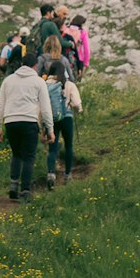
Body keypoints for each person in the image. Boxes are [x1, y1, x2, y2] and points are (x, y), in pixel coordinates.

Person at [0, 46, 54, 201]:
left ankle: (13, 185)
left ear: (21, 64)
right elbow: (46, 108)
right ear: (35, 66)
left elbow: (0, 105)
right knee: (28, 157)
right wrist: (50, 129)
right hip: (29, 121)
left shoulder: (8, 80)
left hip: (11, 121)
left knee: (16, 154)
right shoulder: (39, 82)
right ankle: (25, 191)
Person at [44, 59, 82, 187]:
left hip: (52, 119)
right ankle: (67, 174)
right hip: (67, 117)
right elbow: (76, 103)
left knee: (53, 148)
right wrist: (78, 108)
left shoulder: (45, 85)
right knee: (68, 146)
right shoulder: (69, 84)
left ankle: (51, 173)